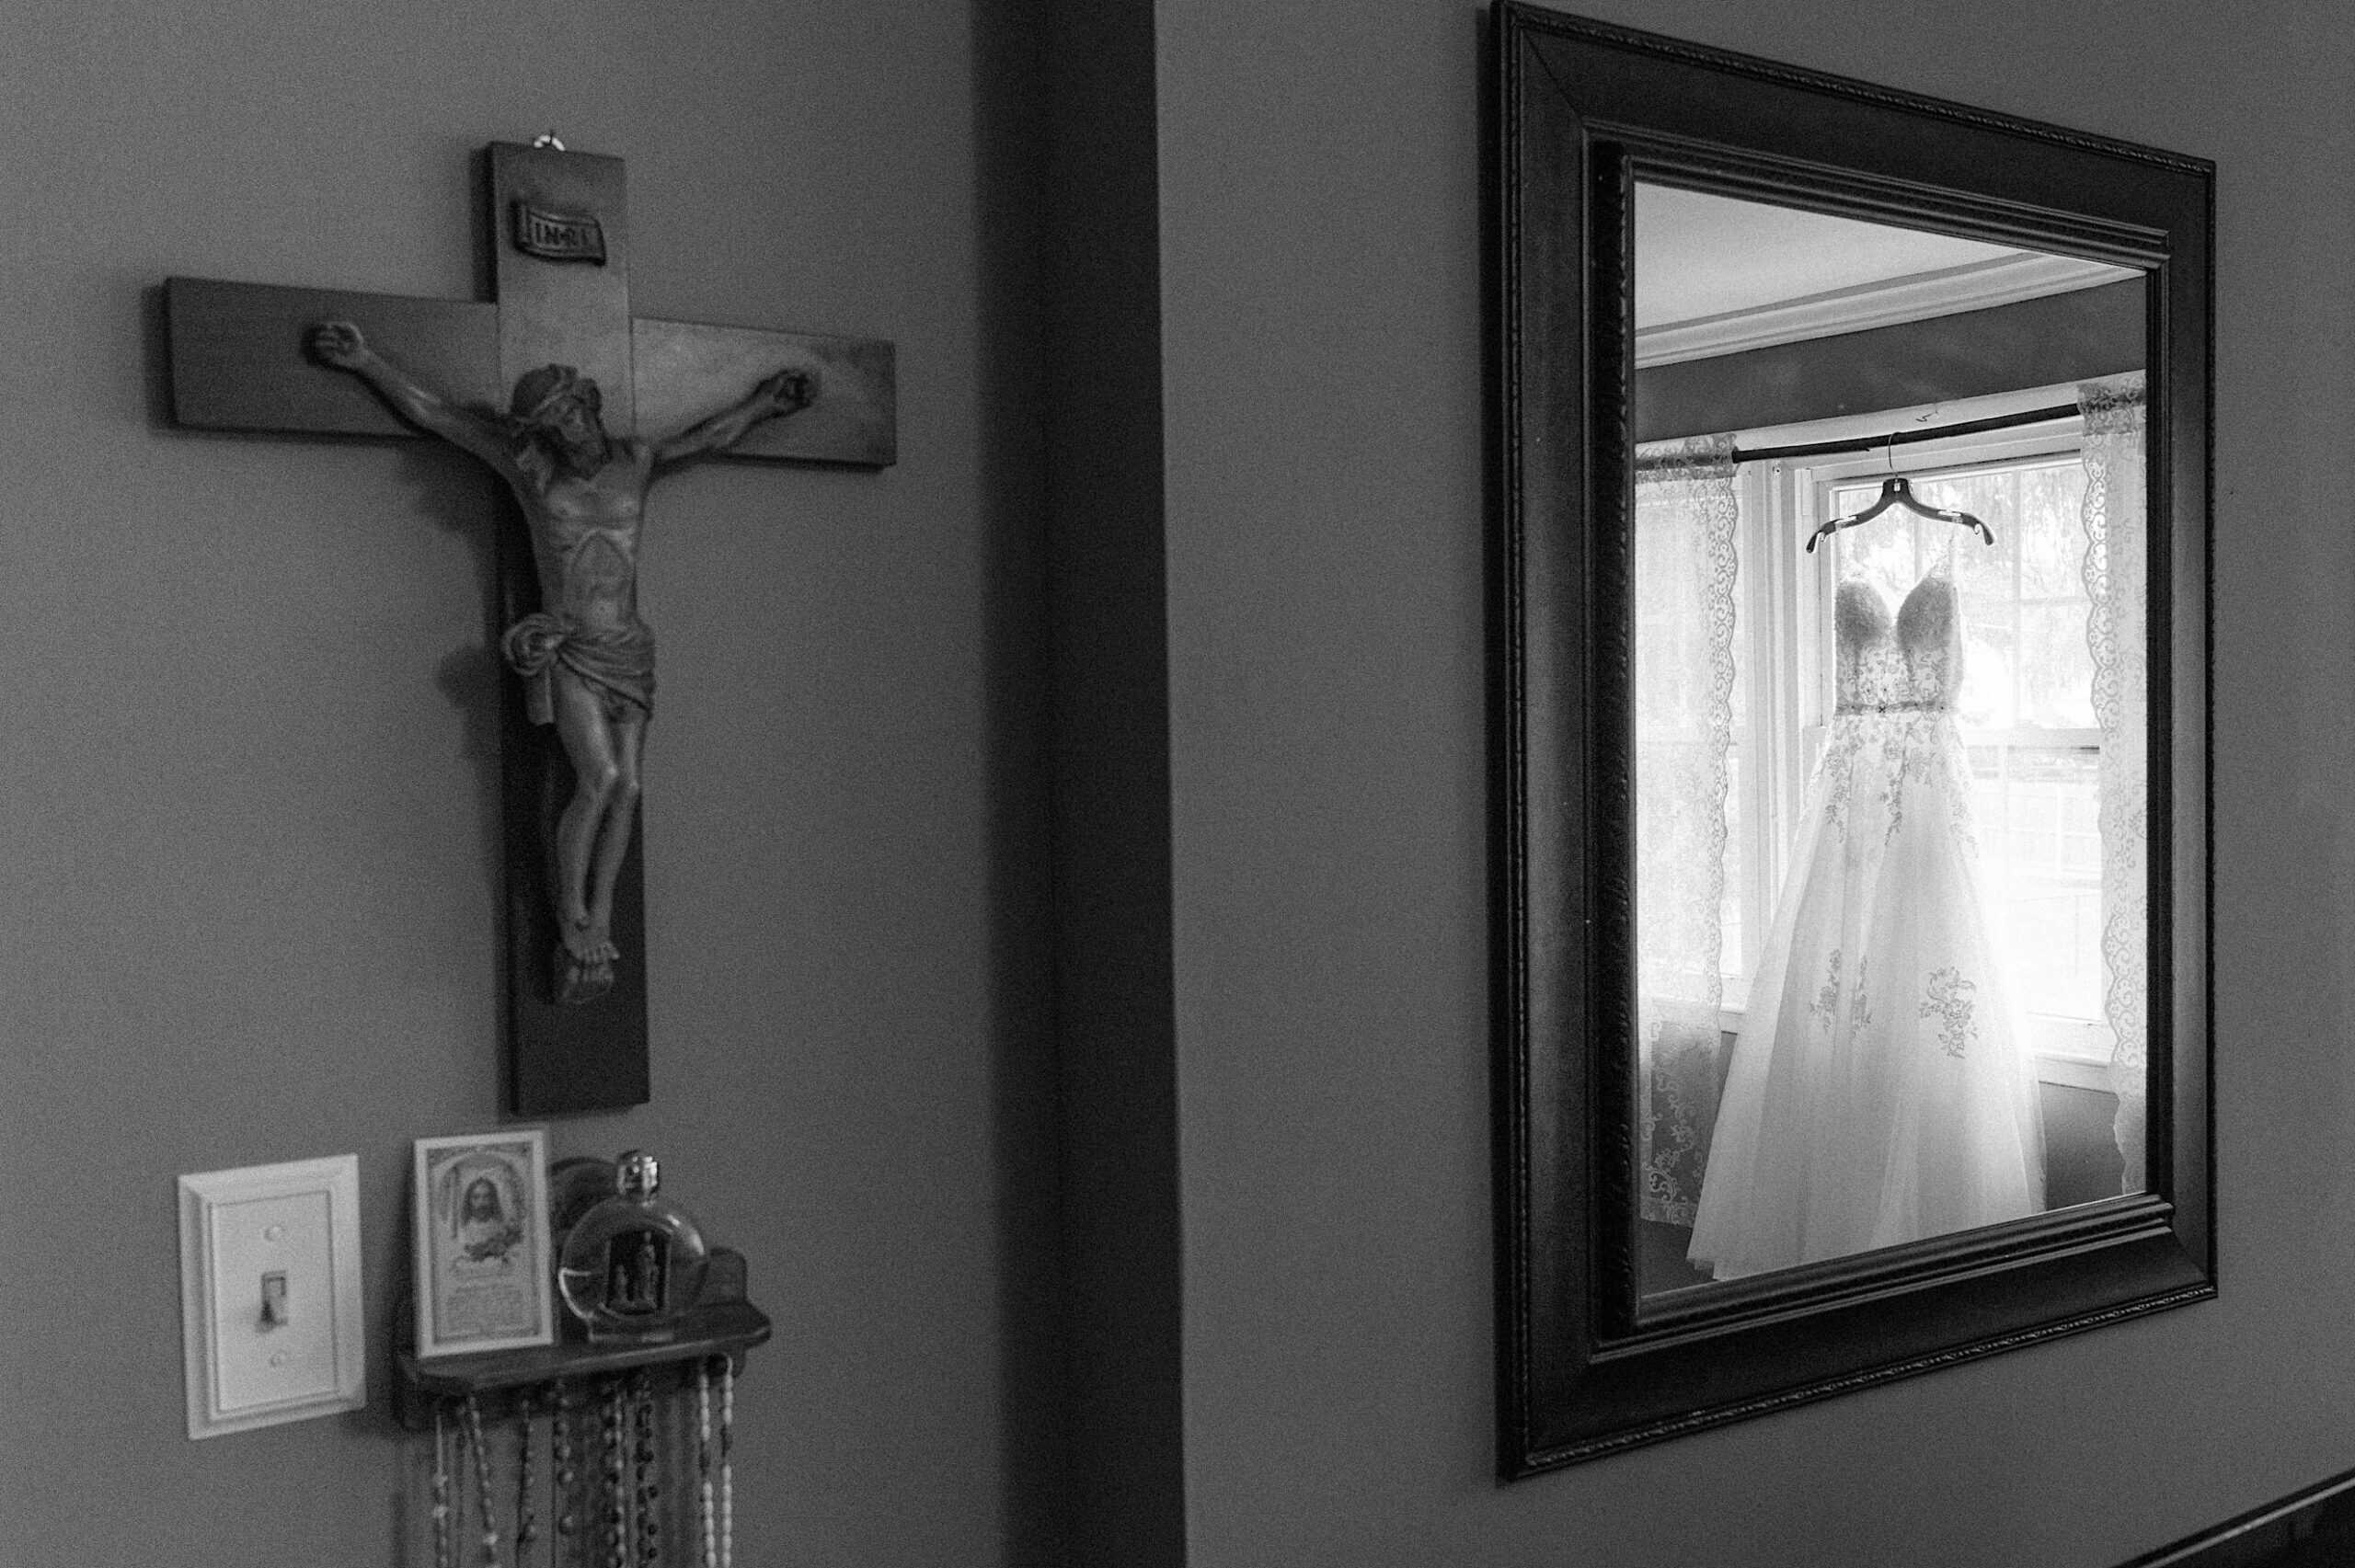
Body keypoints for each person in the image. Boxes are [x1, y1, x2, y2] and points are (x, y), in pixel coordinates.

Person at [308, 321, 816, 1003]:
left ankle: (600, 913)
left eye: (572, 413)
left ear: (590, 406)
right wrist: (368, 359)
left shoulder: (638, 458)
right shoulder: (531, 472)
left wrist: (765, 404)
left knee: (631, 787)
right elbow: (438, 415)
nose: (567, 429)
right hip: (573, 647)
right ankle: (571, 914)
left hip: (631, 646)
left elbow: (711, 436)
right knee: (598, 777)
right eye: (551, 423)